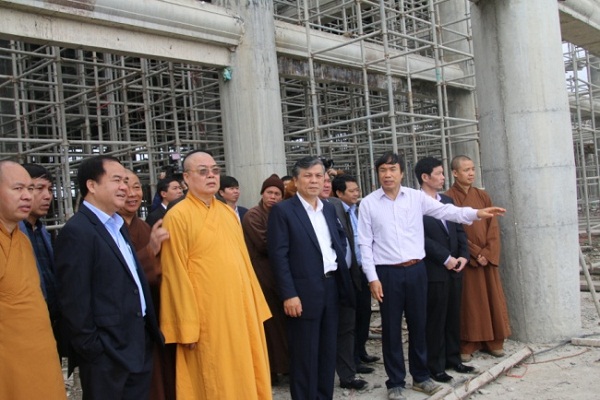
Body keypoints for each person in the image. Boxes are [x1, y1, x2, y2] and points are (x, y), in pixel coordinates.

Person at [357, 152, 505, 400]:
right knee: (391, 329)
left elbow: (449, 213)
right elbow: (364, 244)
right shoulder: (369, 203)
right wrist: (373, 278)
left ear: (402, 173)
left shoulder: (415, 198)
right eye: (383, 170)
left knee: (419, 325)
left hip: (417, 270)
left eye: (393, 169)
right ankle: (395, 382)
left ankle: (421, 376)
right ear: (378, 174)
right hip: (387, 273)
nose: (388, 174)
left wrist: (477, 214)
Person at [159, 150, 271, 400]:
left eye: (215, 170)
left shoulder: (228, 214)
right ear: (186, 178)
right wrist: (186, 326)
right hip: (208, 319)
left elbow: (244, 263)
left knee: (246, 371)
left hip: (240, 313)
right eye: (202, 171)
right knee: (215, 380)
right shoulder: (177, 217)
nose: (211, 175)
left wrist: (255, 306)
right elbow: (174, 274)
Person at [55, 155, 162, 400]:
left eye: (126, 181)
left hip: (137, 344)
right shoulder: (78, 232)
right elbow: (74, 301)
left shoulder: (117, 226)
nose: (125, 187)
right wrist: (94, 350)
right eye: (117, 180)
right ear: (92, 186)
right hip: (107, 354)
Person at [267, 156, 355, 400]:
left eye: (319, 175)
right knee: (305, 355)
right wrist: (289, 294)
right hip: (302, 294)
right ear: (295, 181)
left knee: (327, 352)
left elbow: (337, 243)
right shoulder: (283, 211)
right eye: (308, 175)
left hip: (331, 287)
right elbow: (279, 257)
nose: (314, 180)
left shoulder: (328, 207)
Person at [0, 160, 67, 400]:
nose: (28, 196)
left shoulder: (23, 239)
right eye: (18, 189)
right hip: (9, 359)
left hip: (41, 349)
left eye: (31, 189)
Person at [414, 157, 476, 383]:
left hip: (455, 268)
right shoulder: (415, 203)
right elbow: (420, 238)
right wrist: (445, 258)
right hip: (433, 269)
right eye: (439, 173)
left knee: (453, 315)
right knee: (435, 319)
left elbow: (458, 229)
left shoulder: (447, 199)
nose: (443, 177)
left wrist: (463, 256)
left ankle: (453, 358)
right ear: (425, 177)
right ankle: (435, 365)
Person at [445, 155, 511, 361]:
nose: (471, 173)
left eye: (473, 169)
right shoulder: (448, 198)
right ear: (455, 173)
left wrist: (488, 253)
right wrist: (475, 253)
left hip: (486, 259)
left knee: (492, 298)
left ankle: (493, 340)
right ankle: (469, 341)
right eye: (466, 170)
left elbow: (493, 226)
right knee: (470, 302)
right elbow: (455, 231)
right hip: (466, 259)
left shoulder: (483, 197)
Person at [118, 170, 175, 400]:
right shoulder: (109, 230)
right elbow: (118, 274)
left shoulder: (143, 225)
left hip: (156, 314)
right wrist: (150, 252)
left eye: (137, 187)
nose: (133, 194)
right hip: (128, 323)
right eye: (126, 187)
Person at [241, 174, 289, 383]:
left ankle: (286, 366)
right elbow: (263, 244)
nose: (273, 197)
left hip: (279, 274)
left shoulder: (280, 214)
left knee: (284, 325)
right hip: (262, 276)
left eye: (277, 194)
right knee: (270, 326)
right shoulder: (253, 216)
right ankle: (271, 371)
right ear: (262, 194)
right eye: (269, 192)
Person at [329, 174, 372, 390]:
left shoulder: (353, 210)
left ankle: (355, 361)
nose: (357, 193)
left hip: (357, 272)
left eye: (357, 189)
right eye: (352, 190)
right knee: (341, 325)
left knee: (357, 318)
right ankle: (345, 365)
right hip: (334, 277)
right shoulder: (334, 209)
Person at [18, 164, 61, 337]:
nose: (47, 196)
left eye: (50, 189)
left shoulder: (41, 231)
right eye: (39, 188)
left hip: (50, 320)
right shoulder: (15, 232)